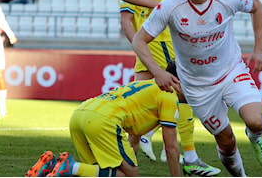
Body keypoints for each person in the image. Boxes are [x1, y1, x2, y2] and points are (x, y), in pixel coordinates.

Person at [132, 0, 262, 177]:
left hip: (230, 72)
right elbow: (139, 40)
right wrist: (158, 72)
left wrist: (259, 50)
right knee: (226, 142)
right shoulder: (171, 5)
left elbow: (256, 6)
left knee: (255, 121)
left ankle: (256, 137)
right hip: (197, 87)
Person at [117, 0, 220, 176]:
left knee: (136, 110)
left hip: (163, 40)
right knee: (183, 95)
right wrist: (157, 6)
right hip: (159, 41)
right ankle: (190, 157)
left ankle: (116, 166)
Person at [25, 61, 184, 177]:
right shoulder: (169, 95)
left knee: (100, 173)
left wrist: (129, 162)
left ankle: (50, 165)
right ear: (178, 80)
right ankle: (70, 167)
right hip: (103, 120)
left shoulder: (148, 87)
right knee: (130, 176)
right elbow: (171, 148)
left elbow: (134, 139)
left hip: (81, 113)